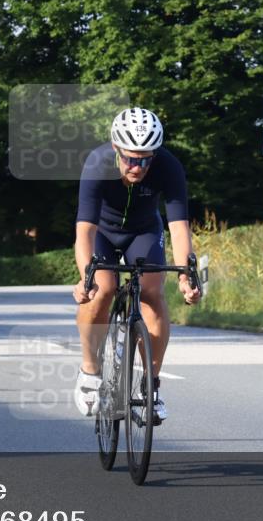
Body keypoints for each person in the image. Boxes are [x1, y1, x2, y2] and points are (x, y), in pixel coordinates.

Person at [72, 107, 201, 424]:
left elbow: (179, 229)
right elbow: (84, 232)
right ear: (116, 149)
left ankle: (150, 385)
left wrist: (187, 276)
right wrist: (83, 278)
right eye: (130, 158)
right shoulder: (97, 164)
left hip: (144, 231)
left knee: (153, 293)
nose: (137, 166)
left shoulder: (169, 167)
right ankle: (89, 371)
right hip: (102, 231)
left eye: (145, 159)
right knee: (103, 289)